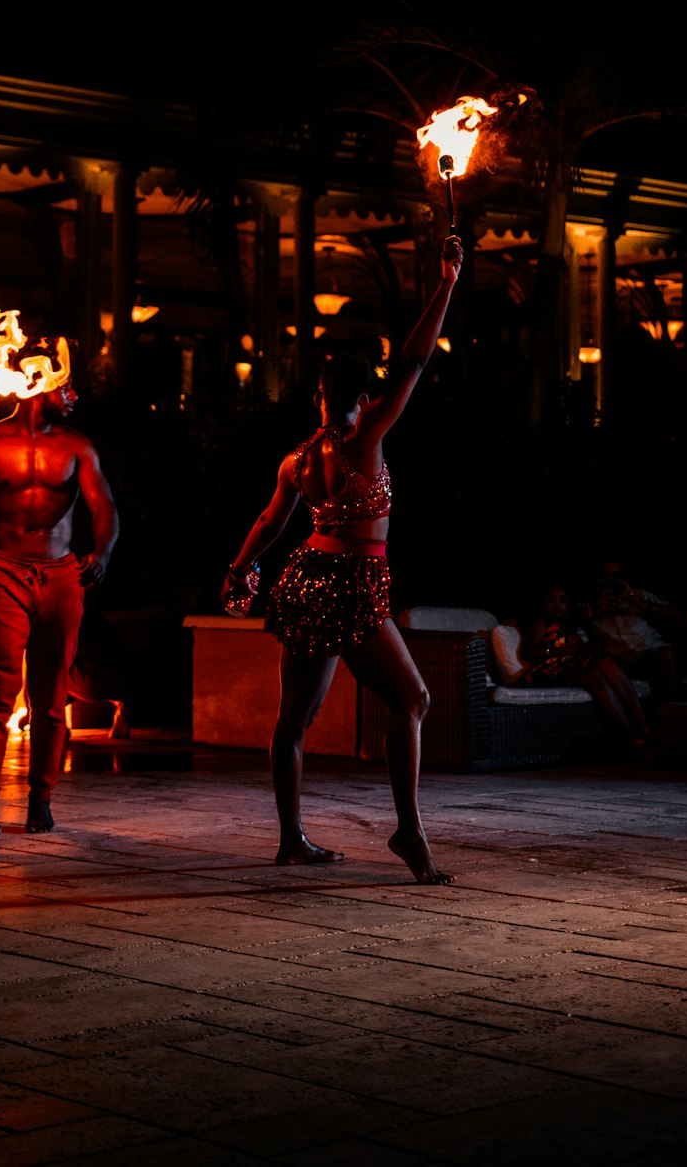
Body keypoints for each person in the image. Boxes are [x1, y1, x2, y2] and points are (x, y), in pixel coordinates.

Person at [221, 236, 464, 886]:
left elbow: (271, 522)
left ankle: (291, 838)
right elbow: (414, 358)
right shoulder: (368, 438)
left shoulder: (299, 457)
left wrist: (238, 568)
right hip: (351, 584)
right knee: (411, 696)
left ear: (319, 399)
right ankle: (409, 831)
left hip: (302, 581)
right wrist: (447, 282)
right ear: (363, 397)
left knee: (295, 720)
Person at [0, 369, 118, 856]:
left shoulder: (77, 444)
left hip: (61, 575)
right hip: (2, 571)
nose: (74, 396)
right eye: (66, 387)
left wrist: (103, 552)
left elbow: (104, 508)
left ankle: (42, 798)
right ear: (37, 386)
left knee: (52, 699)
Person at [518, 585, 654, 757]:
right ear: (544, 602)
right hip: (550, 667)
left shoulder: (570, 621)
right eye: (552, 599)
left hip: (575, 661)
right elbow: (528, 652)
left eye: (562, 600)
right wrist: (564, 651)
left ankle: (645, 725)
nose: (557, 604)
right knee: (593, 677)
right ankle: (633, 737)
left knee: (605, 660)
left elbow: (591, 621)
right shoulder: (541, 621)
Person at [588, 560, 684, 700]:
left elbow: (681, 616)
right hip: (619, 660)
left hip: (649, 653)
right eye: (605, 575)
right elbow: (568, 615)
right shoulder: (590, 604)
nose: (611, 580)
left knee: (665, 653)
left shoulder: (639, 596)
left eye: (616, 575)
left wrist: (644, 606)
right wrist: (596, 610)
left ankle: (676, 704)